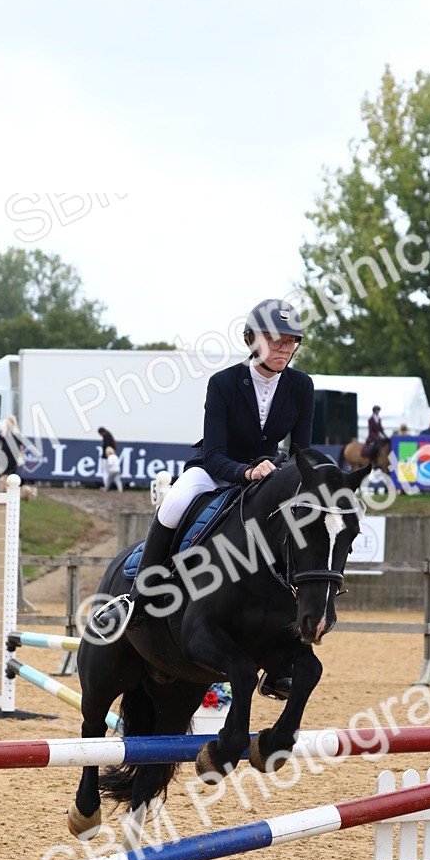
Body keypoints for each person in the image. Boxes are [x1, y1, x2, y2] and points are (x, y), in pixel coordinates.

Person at [97, 298, 314, 696]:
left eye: (291, 342)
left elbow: (303, 452)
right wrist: (246, 471)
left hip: (270, 475)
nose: (284, 349)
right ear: (253, 340)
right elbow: (214, 453)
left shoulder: (302, 386)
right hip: (216, 469)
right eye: (276, 341)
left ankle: (292, 620)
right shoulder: (225, 383)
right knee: (175, 501)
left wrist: (291, 478)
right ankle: (140, 596)